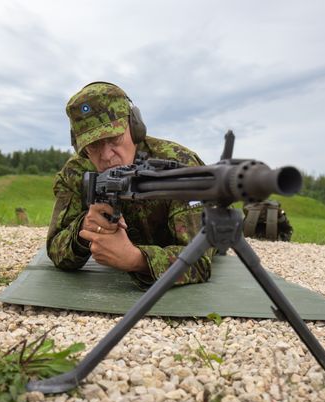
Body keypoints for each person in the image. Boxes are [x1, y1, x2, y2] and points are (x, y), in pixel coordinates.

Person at [46, 82, 214, 289]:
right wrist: (84, 230)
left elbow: (198, 261)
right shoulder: (76, 172)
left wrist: (136, 260)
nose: (106, 155)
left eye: (114, 138)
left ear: (135, 128)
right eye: (94, 145)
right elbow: (55, 247)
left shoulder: (178, 166)